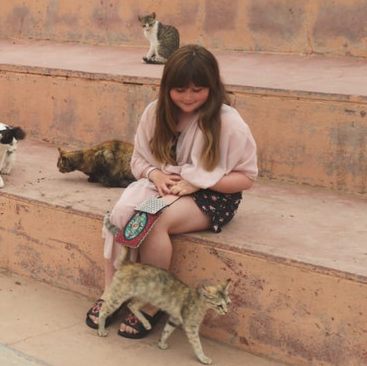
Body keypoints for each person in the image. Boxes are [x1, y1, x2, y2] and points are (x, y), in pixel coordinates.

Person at [85, 44, 258, 337]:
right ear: (167, 87)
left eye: (197, 90)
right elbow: (138, 161)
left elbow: (246, 177)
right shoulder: (155, 113)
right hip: (164, 186)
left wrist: (200, 182)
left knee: (153, 222)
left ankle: (153, 303)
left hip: (213, 195)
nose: (188, 97)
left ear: (212, 87)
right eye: (180, 90)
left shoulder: (229, 122)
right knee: (121, 214)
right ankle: (112, 291)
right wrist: (155, 174)